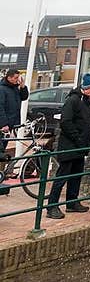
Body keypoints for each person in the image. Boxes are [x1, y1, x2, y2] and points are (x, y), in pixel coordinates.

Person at [46, 73, 90, 218]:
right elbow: (66, 122)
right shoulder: (73, 100)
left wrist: (86, 142)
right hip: (69, 146)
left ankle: (72, 202)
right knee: (62, 176)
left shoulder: (88, 102)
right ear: (87, 88)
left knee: (76, 176)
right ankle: (51, 206)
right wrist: (78, 138)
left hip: (81, 147)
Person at [0, 66, 29, 196]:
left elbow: (24, 97)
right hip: (4, 125)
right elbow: (0, 107)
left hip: (11, 123)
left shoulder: (14, 88)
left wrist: (23, 86)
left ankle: (1, 176)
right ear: (9, 78)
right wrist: (4, 124)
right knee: (0, 149)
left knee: (2, 149)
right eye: (16, 78)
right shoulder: (2, 89)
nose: (18, 80)